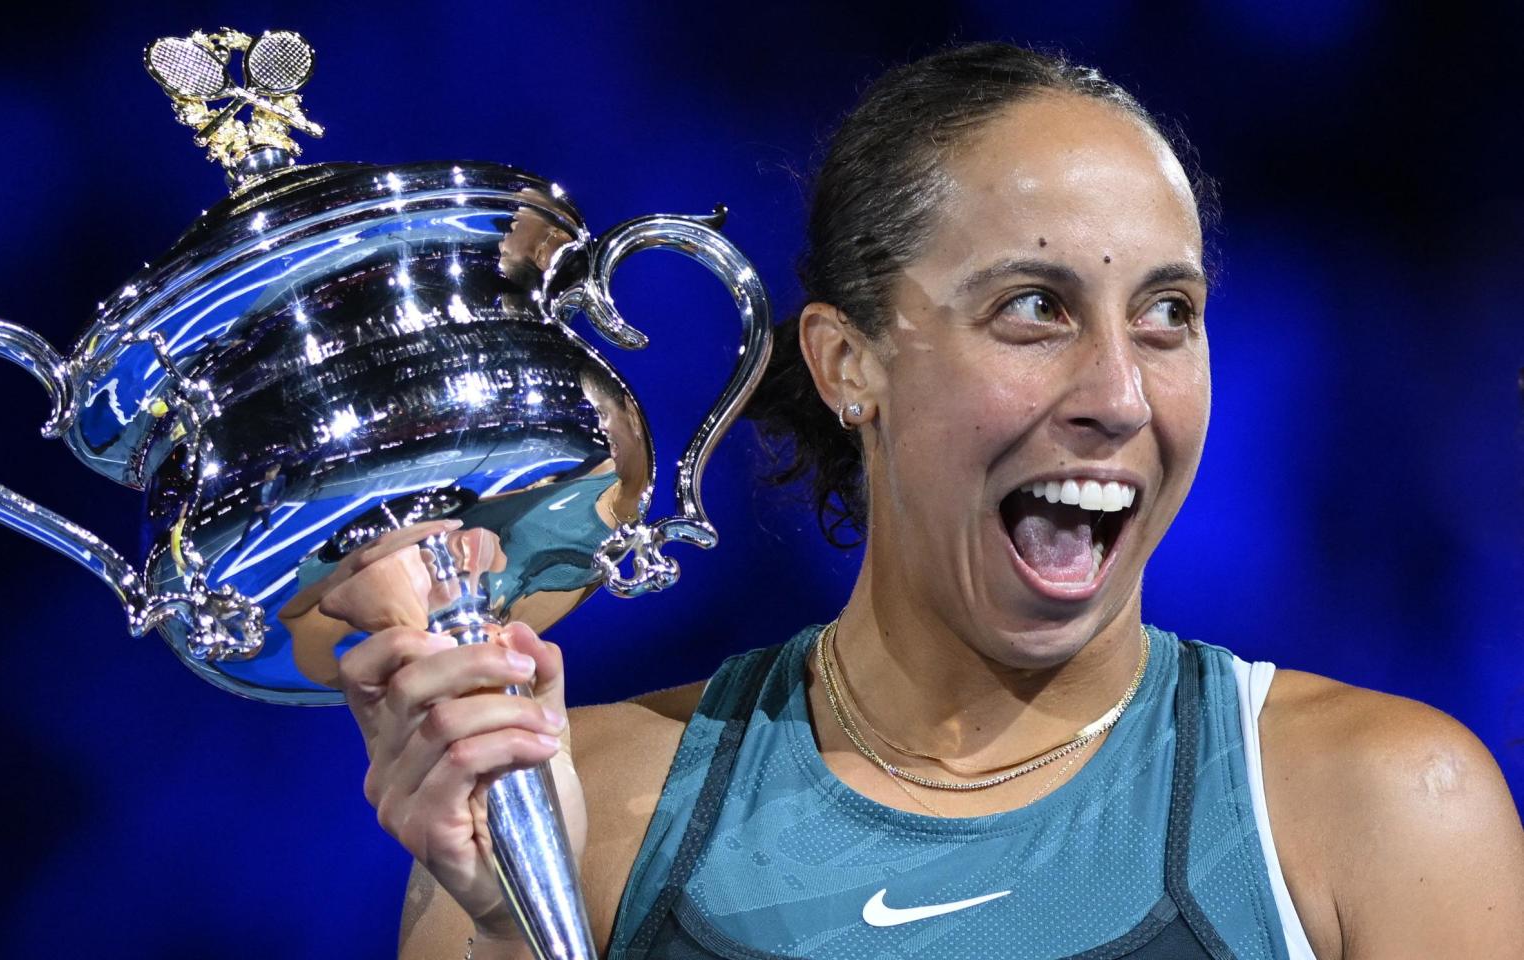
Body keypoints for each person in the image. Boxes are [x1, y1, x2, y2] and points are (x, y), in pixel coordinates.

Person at [306, 44, 1524, 958]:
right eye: (1033, 309)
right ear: (848, 364)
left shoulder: (1385, 808)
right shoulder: (581, 810)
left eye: (1167, 313)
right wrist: (512, 926)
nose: (1118, 395)